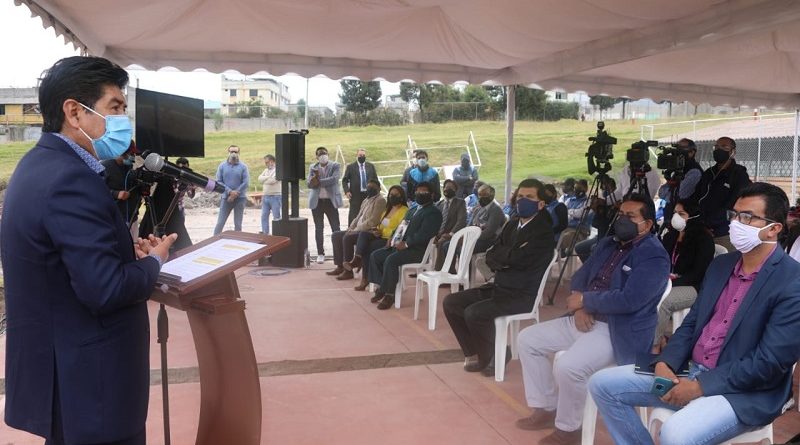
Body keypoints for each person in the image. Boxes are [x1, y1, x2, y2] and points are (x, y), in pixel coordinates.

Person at [1, 56, 177, 445]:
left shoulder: (37, 166)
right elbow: (106, 289)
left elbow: (64, 261)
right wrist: (153, 261)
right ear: (74, 112)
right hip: (94, 386)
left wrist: (125, 252)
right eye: (114, 107)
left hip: (66, 377)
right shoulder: (70, 180)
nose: (122, 120)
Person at [589, 183, 800, 445]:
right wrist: (666, 362)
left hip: (742, 390)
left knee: (676, 434)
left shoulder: (792, 281)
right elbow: (691, 324)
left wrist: (701, 387)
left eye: (747, 217)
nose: (736, 224)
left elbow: (769, 362)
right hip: (687, 370)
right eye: (734, 215)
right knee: (602, 384)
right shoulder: (721, 265)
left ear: (774, 228)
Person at [514, 195, 670, 445]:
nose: (622, 221)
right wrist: (580, 308)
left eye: (630, 217)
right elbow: (580, 278)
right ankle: (545, 407)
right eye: (621, 215)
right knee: (528, 340)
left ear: (648, 224)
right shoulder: (609, 244)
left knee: (569, 367)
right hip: (583, 319)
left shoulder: (654, 257)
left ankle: (569, 428)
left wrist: (587, 301)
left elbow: (631, 300)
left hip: (616, 329)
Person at [443, 178, 555, 377]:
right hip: (499, 286)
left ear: (540, 203)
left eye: (529, 197)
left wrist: (505, 257)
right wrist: (507, 257)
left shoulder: (543, 231)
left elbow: (520, 260)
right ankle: (478, 352)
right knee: (452, 302)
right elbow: (492, 254)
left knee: (474, 313)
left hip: (520, 294)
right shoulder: (512, 225)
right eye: (520, 196)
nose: (522, 201)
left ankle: (496, 355)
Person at [368, 182, 442, 310]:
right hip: (401, 246)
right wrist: (392, 236)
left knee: (391, 260)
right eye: (417, 192)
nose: (420, 195)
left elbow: (424, 234)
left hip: (418, 250)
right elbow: (401, 226)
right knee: (376, 256)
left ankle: (389, 295)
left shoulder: (433, 212)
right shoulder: (413, 209)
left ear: (432, 194)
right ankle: (383, 287)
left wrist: (407, 243)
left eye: (423, 193)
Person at [653, 200, 715, 346]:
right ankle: (659, 338)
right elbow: (661, 261)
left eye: (681, 214)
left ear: (693, 216)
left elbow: (699, 273)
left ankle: (653, 346)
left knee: (664, 302)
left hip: (694, 286)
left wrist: (671, 283)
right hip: (668, 282)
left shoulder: (704, 239)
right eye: (675, 213)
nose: (676, 217)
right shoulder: (671, 236)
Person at [692, 136, 752, 252]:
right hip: (702, 230)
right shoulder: (708, 174)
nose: (719, 149)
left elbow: (734, 204)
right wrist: (701, 225)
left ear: (733, 152)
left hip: (724, 233)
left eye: (724, 147)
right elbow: (698, 198)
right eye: (716, 147)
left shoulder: (739, 174)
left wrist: (711, 224)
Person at [348, 185, 409, 291]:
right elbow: (381, 225)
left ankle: (367, 278)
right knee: (363, 234)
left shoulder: (405, 210)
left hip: (390, 240)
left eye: (396, 194)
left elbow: (400, 229)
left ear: (402, 196)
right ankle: (357, 259)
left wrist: (386, 233)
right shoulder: (387, 209)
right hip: (380, 236)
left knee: (367, 248)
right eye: (390, 194)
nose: (392, 196)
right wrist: (377, 230)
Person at [327, 179, 386, 280]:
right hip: (357, 229)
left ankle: (348, 271)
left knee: (347, 238)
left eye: (372, 187)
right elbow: (358, 217)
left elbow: (373, 221)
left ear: (379, 189)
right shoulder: (366, 200)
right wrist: (351, 228)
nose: (369, 189)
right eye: (368, 187)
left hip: (367, 231)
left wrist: (356, 230)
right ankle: (340, 266)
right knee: (336, 235)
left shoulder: (380, 201)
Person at [307, 146, 343, 263]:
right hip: (317, 202)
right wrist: (314, 182)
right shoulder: (313, 167)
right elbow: (309, 184)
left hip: (330, 202)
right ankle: (320, 253)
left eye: (325, 153)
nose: (323, 156)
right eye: (320, 154)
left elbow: (334, 179)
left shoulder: (335, 165)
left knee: (335, 228)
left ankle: (339, 254)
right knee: (319, 228)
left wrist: (318, 181)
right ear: (317, 157)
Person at [656, 138, 703, 226]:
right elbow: (661, 194)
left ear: (692, 152)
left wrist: (669, 189)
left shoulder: (694, 171)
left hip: (684, 222)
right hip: (671, 217)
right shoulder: (679, 169)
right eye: (677, 148)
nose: (678, 151)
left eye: (682, 148)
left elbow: (678, 196)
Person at [100, 140, 140, 232]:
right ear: (122, 152)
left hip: (132, 218)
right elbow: (96, 191)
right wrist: (115, 194)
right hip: (114, 219)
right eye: (131, 154)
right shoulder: (104, 166)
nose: (133, 157)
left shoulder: (129, 167)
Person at [213, 144, 250, 235]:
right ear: (228, 152)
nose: (233, 153)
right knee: (220, 223)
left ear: (239, 153)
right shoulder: (222, 166)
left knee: (238, 224)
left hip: (240, 199)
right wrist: (229, 191)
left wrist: (235, 193)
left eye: (235, 152)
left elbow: (246, 182)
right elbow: (219, 181)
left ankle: (238, 242)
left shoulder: (243, 167)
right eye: (231, 151)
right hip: (226, 198)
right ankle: (214, 240)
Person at [434, 179, 467, 270]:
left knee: (442, 242)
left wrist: (451, 234)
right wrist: (434, 234)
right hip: (439, 234)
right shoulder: (439, 204)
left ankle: (441, 271)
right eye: (446, 187)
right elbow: (435, 222)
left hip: (454, 234)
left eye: (451, 188)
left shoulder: (460, 203)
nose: (448, 189)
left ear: (455, 190)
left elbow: (461, 221)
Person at [342, 148, 378, 225]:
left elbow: (375, 179)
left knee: (368, 214)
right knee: (354, 216)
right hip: (355, 195)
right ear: (357, 155)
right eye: (360, 155)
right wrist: (347, 191)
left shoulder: (370, 166)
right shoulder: (351, 167)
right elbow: (345, 180)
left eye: (363, 155)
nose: (362, 156)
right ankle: (351, 232)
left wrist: (377, 191)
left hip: (369, 195)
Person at [559, 179, 592, 257]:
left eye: (580, 188)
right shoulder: (570, 200)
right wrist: (570, 212)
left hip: (580, 231)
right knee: (554, 234)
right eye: (576, 188)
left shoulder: (588, 201)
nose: (577, 190)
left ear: (586, 189)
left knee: (563, 238)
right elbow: (563, 211)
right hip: (567, 227)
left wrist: (569, 211)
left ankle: (559, 256)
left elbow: (581, 214)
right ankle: (559, 256)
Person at [257, 154, 281, 234]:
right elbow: (259, 179)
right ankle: (265, 232)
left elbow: (273, 181)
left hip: (275, 196)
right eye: (266, 162)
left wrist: (265, 179)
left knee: (276, 217)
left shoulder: (278, 170)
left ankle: (277, 233)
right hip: (266, 196)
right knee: (264, 216)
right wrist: (267, 177)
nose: (266, 164)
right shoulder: (265, 170)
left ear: (273, 161)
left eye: (268, 162)